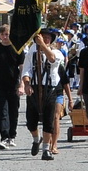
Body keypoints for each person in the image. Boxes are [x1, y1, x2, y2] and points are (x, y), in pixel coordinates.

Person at [21, 27, 65, 160]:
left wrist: (43, 46)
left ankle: (46, 149)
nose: (45, 39)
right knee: (31, 121)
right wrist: (27, 84)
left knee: (49, 120)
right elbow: (26, 70)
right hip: (34, 88)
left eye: (47, 38)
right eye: (42, 37)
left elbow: (51, 59)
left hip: (49, 89)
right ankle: (36, 139)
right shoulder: (31, 52)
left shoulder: (57, 53)